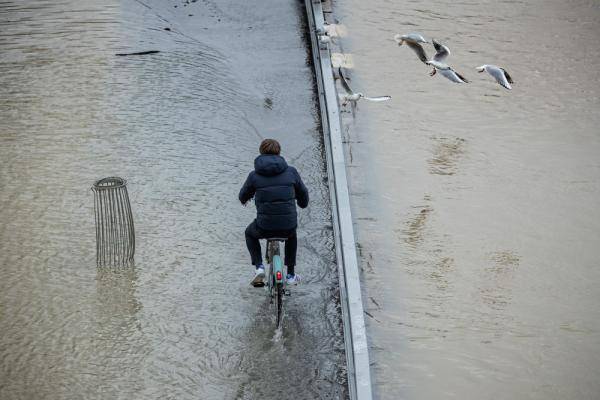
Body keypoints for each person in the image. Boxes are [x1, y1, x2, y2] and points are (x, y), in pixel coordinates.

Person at [239, 139, 309, 287]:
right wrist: (302, 203)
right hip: (287, 226)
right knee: (292, 234)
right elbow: (303, 193)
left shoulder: (254, 176)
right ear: (279, 153)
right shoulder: (291, 172)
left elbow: (243, 196)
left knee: (249, 233)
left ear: (261, 153)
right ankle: (290, 274)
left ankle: (259, 267)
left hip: (264, 227)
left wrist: (246, 199)